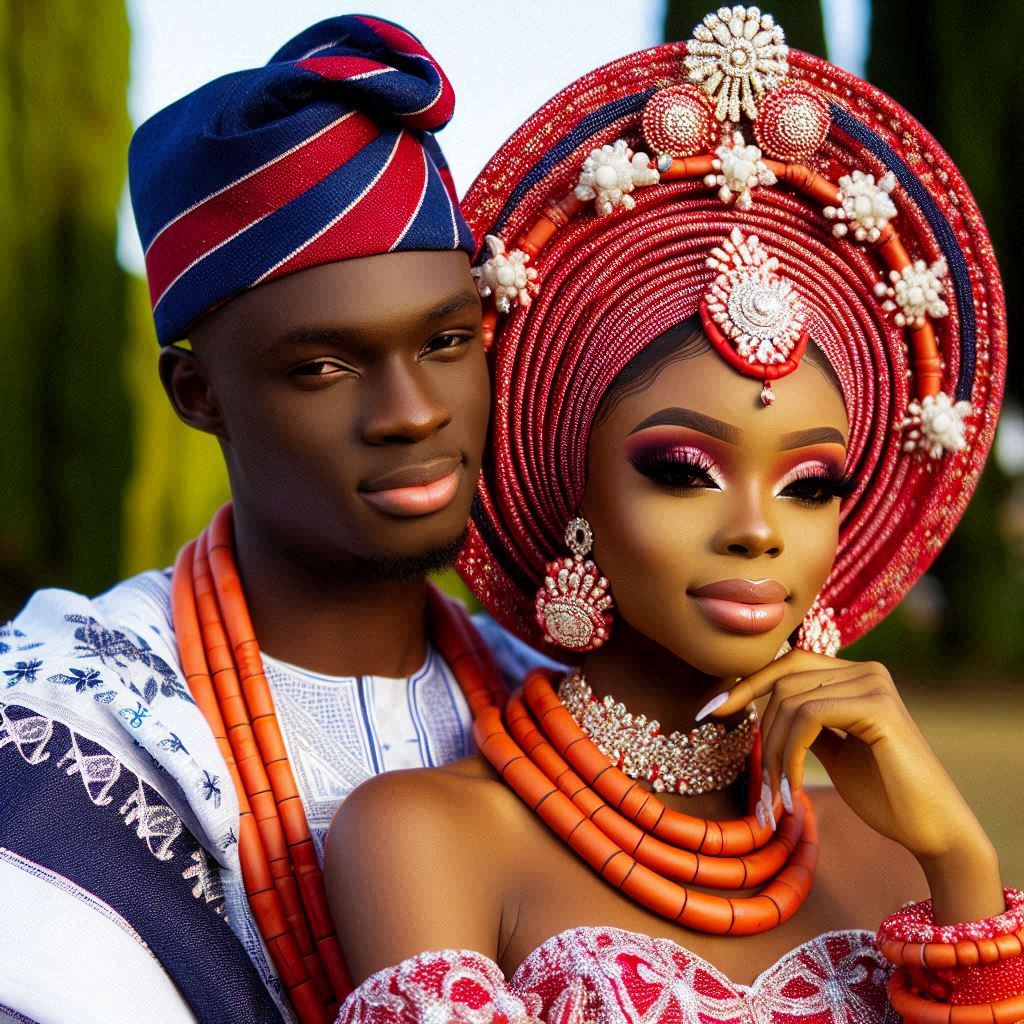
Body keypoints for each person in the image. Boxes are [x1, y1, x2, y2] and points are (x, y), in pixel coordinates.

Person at [327, 7, 1020, 1023]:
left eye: (811, 484)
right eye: (685, 468)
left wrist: (960, 862)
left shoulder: (895, 857)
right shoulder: (427, 835)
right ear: (575, 491)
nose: (757, 529)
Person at [0, 16, 546, 1024]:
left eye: (446, 341)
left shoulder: (550, 708)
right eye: (323, 367)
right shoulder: (67, 724)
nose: (412, 411)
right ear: (197, 393)